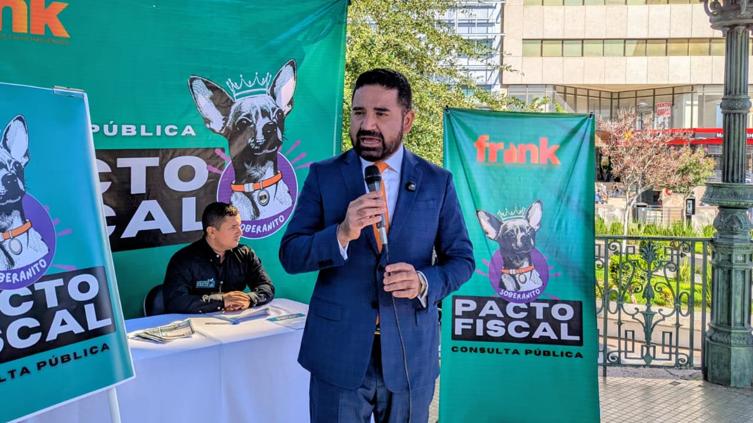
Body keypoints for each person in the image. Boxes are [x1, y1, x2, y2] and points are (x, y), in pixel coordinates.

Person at [279, 69, 474, 422]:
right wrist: (341, 233)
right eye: (359, 112)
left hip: (410, 356)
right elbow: (291, 254)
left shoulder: (437, 182)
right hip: (337, 354)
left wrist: (423, 281)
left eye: (381, 113)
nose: (367, 124)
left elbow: (461, 260)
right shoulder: (324, 175)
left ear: (408, 120)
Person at [163, 202, 274, 313]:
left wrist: (249, 299)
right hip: (197, 321)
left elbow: (267, 287)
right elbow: (175, 301)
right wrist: (221, 301)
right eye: (233, 227)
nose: (240, 232)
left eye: (240, 226)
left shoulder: (245, 254)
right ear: (212, 232)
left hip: (236, 320)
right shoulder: (184, 259)